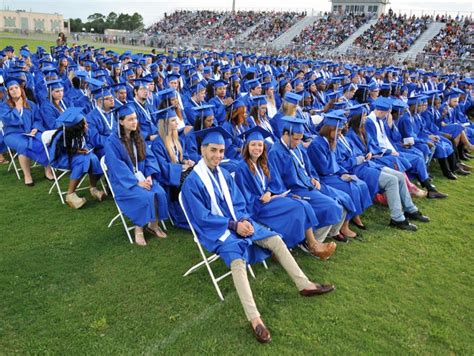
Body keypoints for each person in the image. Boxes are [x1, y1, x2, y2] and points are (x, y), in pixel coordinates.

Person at [181, 126, 335, 343]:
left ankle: (305, 285)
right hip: (216, 231)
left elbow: (239, 203)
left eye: (222, 151)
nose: (218, 155)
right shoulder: (193, 182)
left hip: (239, 223)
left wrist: (244, 221)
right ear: (202, 149)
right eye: (213, 150)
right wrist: (234, 225)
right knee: (237, 259)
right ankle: (255, 320)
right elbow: (201, 217)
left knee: (275, 240)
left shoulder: (224, 174)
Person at [234, 126, 336, 259]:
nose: (257, 148)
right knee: (297, 207)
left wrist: (271, 193)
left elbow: (275, 184)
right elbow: (243, 196)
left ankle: (307, 244)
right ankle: (305, 245)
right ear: (246, 147)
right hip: (257, 206)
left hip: (271, 200)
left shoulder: (263, 163)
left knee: (302, 203)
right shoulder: (242, 168)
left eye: (260, 145)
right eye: (253, 145)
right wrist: (263, 197)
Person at [268, 115, 348, 243]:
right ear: (286, 134)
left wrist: (314, 178)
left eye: (300, 139)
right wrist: (290, 195)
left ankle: (322, 236)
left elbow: (309, 168)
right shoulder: (275, 152)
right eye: (295, 139)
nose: (298, 142)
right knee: (331, 206)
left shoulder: (298, 147)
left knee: (339, 201)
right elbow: (277, 180)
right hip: (296, 190)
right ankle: (313, 243)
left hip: (309, 185)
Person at [105, 103, 168, 245]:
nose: (135, 122)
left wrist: (149, 175)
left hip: (143, 177)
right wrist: (136, 182)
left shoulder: (137, 137)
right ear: (121, 122)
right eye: (130, 119)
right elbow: (117, 167)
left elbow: (149, 158)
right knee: (145, 196)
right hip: (124, 183)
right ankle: (138, 229)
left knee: (160, 192)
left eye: (135, 118)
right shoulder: (111, 142)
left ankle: (153, 225)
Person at [307, 111, 372, 233]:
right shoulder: (317, 144)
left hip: (333, 174)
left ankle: (353, 217)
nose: (340, 134)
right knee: (350, 188)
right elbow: (323, 169)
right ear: (329, 130)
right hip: (324, 178)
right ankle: (344, 226)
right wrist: (339, 173)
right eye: (338, 131)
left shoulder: (331, 142)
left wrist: (343, 173)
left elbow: (336, 164)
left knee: (357, 183)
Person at [1, 76, 53, 186]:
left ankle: (48, 171)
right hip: (13, 134)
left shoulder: (31, 104)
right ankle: (27, 175)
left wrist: (35, 128)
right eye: (11, 89)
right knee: (23, 145)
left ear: (21, 89)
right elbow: (10, 120)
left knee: (44, 141)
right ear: (8, 93)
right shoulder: (4, 106)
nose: (14, 90)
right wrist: (18, 107)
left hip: (31, 131)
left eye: (16, 87)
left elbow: (37, 119)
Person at [49, 108, 105, 208]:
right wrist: (77, 151)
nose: (87, 125)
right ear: (77, 127)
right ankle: (70, 194)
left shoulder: (82, 132)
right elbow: (60, 152)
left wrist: (80, 150)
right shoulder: (61, 136)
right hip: (60, 159)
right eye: (85, 124)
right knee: (82, 160)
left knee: (92, 157)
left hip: (74, 155)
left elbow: (85, 144)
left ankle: (93, 188)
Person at [151, 106, 194, 229]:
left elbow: (182, 155)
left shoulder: (177, 139)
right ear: (165, 123)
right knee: (190, 181)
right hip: (170, 180)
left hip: (181, 173)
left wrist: (187, 161)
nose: (177, 123)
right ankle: (187, 214)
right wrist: (181, 168)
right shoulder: (158, 144)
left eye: (176, 120)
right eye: (173, 120)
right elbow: (162, 167)